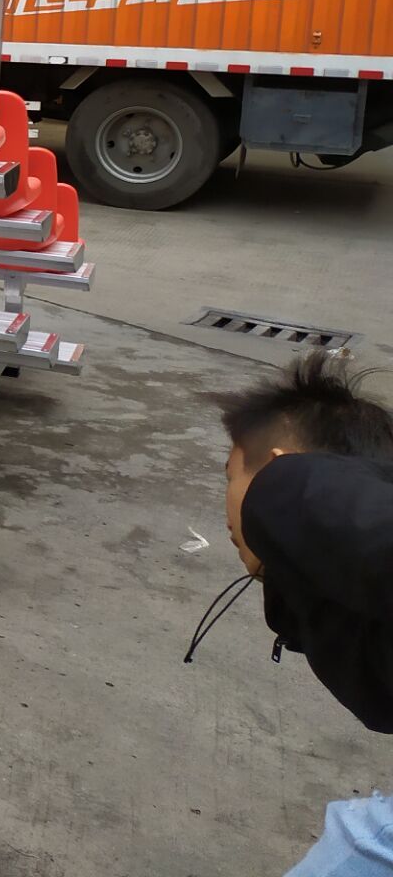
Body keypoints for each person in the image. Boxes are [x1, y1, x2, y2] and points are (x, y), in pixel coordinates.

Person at [219, 351, 393, 875]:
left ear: (279, 465)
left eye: (231, 476)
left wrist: (284, 492)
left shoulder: (297, 491)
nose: (225, 506)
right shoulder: (355, 594)